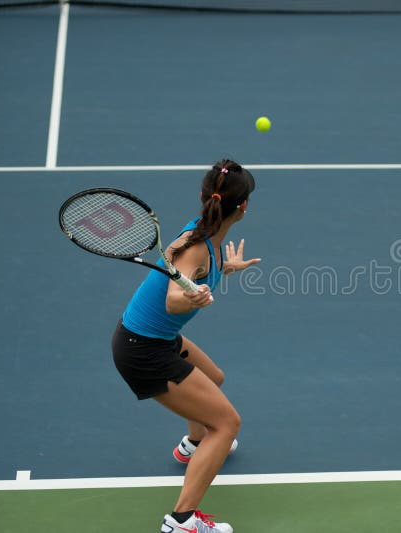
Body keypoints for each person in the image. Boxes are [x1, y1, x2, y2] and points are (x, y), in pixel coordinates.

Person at [111, 159, 260, 533]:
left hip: (152, 337)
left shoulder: (204, 232)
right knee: (227, 424)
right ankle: (181, 521)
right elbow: (174, 299)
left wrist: (225, 269)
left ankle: (193, 445)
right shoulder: (194, 247)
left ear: (205, 198)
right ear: (242, 207)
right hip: (143, 349)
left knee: (214, 377)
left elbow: (188, 274)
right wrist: (190, 299)